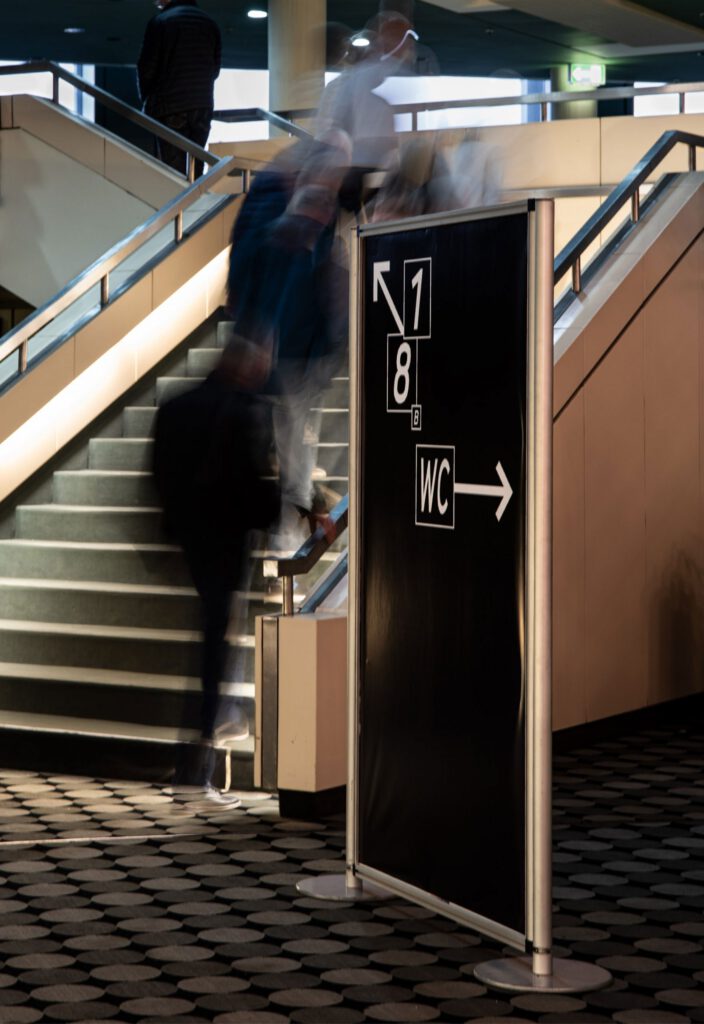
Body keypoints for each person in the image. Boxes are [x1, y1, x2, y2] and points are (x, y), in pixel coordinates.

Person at [152, 337, 279, 793]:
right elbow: (256, 484)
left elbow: (160, 472)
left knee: (211, 635)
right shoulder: (248, 410)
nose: (265, 370)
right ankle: (200, 754)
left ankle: (207, 737)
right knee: (215, 643)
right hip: (227, 544)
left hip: (191, 538)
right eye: (262, 361)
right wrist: (278, 511)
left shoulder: (176, 405)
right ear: (246, 365)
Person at [137, 0, 221, 177]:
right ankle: (196, 203)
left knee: (172, 173)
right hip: (202, 104)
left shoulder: (161, 22)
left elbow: (147, 68)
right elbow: (215, 68)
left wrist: (147, 101)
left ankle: (178, 204)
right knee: (196, 170)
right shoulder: (209, 23)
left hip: (169, 106)